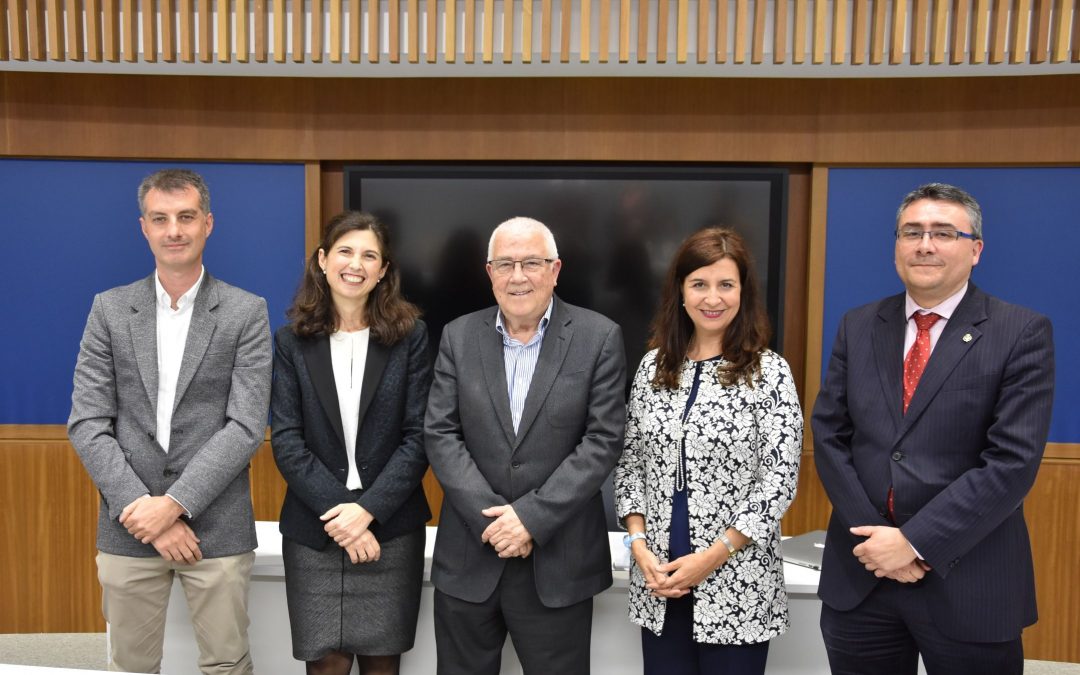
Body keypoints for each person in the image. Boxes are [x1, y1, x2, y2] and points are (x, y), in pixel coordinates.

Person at [812, 183, 1055, 675]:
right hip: (863, 578)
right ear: (896, 244)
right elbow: (829, 436)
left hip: (969, 581)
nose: (925, 244)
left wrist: (914, 542)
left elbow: (1011, 462)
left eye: (943, 232)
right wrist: (878, 541)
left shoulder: (1020, 332)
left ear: (975, 249)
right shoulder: (858, 326)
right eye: (912, 232)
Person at [68, 168, 272, 674]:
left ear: (208, 224)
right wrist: (145, 509)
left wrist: (176, 504)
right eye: (161, 219)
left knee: (227, 663)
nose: (174, 230)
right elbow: (88, 422)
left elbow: (246, 426)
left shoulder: (246, 312)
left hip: (217, 526)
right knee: (131, 665)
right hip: (129, 525)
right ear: (144, 227)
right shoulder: (110, 310)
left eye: (185, 217)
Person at [425, 216, 627, 675]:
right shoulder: (458, 335)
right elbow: (440, 432)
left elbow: (602, 440)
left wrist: (530, 519)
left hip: (558, 563)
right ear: (489, 272)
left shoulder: (599, 337)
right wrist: (496, 522)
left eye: (531, 263)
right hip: (470, 556)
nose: (518, 276)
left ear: (555, 270)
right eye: (506, 264)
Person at [614, 227, 803, 675]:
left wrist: (711, 558)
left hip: (736, 586)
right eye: (699, 284)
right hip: (661, 585)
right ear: (680, 291)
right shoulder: (653, 367)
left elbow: (778, 481)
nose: (712, 298)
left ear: (744, 293)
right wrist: (639, 548)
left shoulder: (769, 372)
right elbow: (630, 466)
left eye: (726, 285)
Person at [270, 211, 432, 675]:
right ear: (322, 260)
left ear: (383, 271)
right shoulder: (291, 341)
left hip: (390, 529)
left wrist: (366, 512)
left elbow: (418, 436)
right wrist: (341, 514)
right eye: (344, 251)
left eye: (369, 255)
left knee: (382, 664)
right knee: (326, 664)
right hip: (314, 532)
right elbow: (287, 440)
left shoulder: (411, 338)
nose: (355, 264)